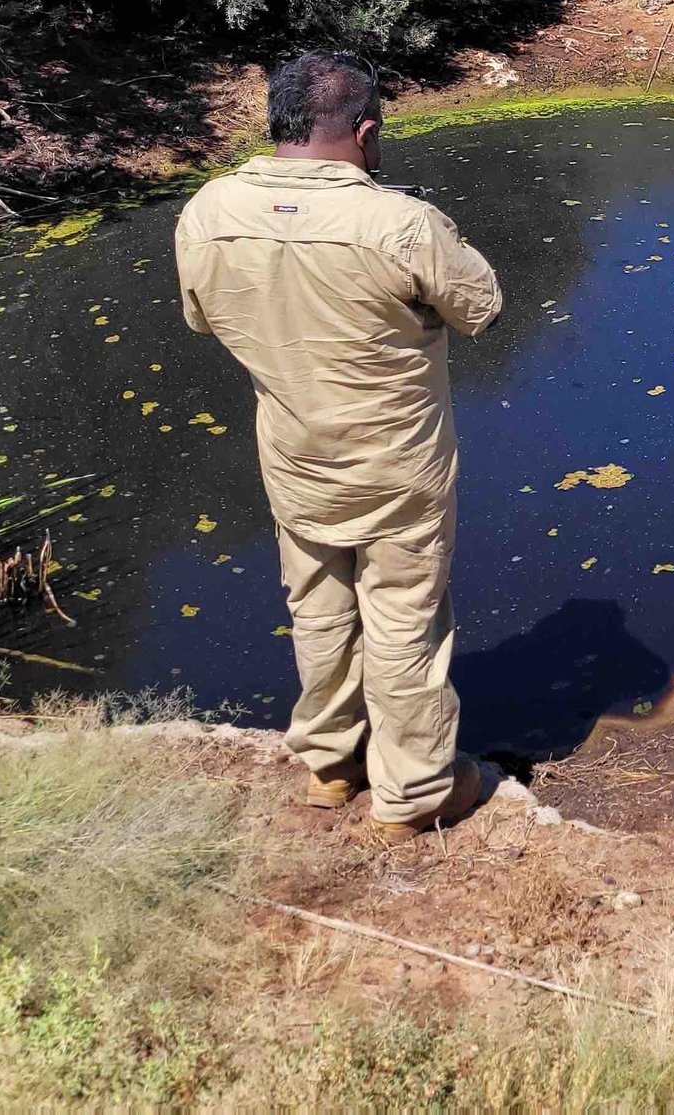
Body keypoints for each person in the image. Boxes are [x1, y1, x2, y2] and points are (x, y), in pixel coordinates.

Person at [174, 51, 503, 841]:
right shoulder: (399, 222)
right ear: (365, 131)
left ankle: (329, 765)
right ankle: (416, 790)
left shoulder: (207, 211)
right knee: (401, 620)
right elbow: (482, 304)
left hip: (294, 457)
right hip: (396, 469)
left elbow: (200, 317)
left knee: (318, 608)